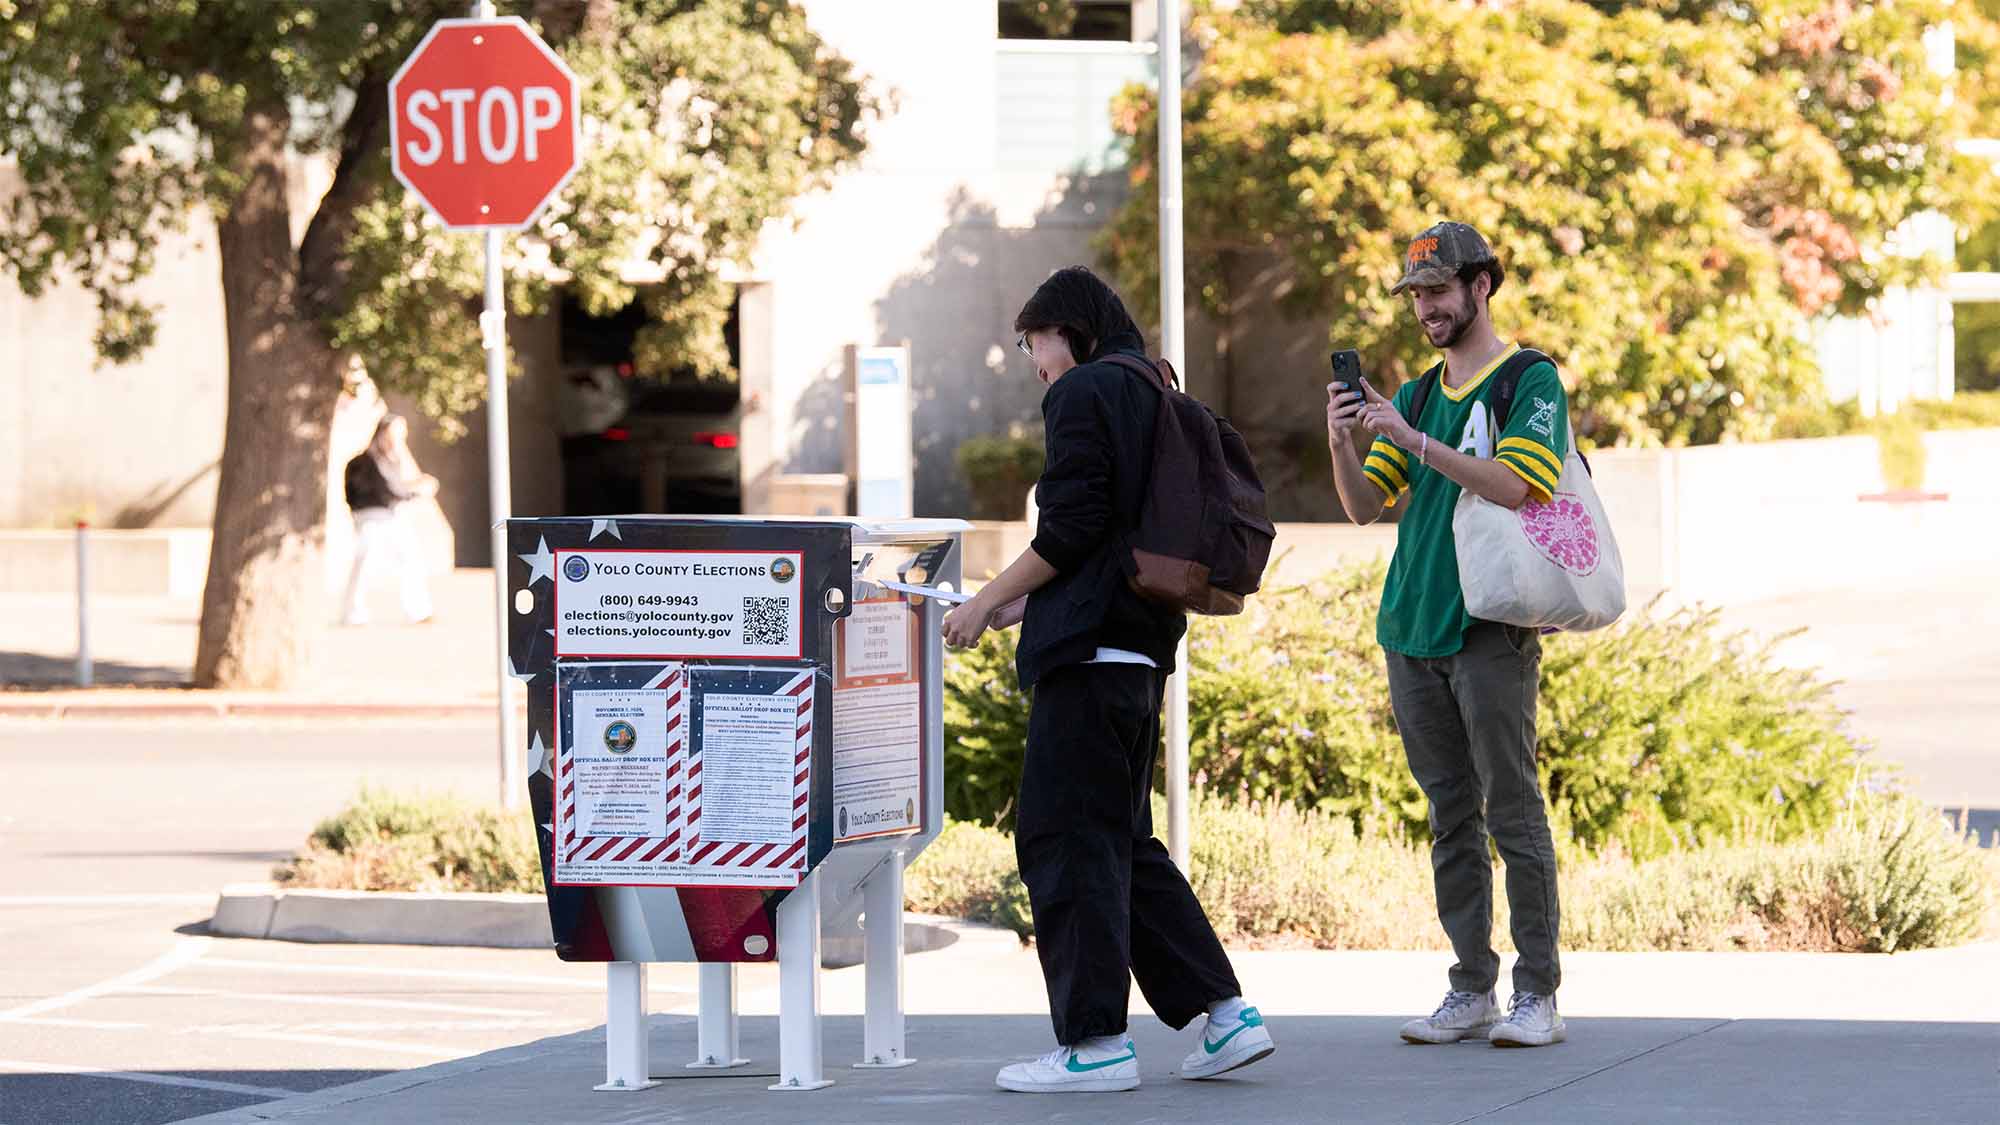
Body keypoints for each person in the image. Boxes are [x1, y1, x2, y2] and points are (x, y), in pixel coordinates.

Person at [941, 266, 1273, 1093]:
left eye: (1034, 341)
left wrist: (986, 596)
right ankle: (1224, 1014)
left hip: (1086, 667)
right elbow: (1104, 543)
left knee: (1065, 841)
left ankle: (1093, 1044)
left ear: (1070, 331)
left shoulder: (1084, 392)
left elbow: (1073, 524)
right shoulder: (1155, 388)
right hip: (1134, 654)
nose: (1034, 361)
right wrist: (1019, 608)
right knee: (1123, 843)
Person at [1325, 222, 1570, 1048]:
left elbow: (1519, 485)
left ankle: (1538, 993)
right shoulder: (1420, 392)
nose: (1425, 307)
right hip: (1411, 627)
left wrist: (1416, 439)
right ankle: (1472, 987)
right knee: (1449, 815)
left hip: (1490, 628)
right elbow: (1365, 506)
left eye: (1438, 290)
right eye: (1416, 294)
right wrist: (1344, 437)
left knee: (1515, 812)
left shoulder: (1528, 379)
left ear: (1482, 286)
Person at [340, 413, 437, 627]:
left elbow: (398, 489)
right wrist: (415, 491)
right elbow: (384, 491)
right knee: (364, 560)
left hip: (392, 516)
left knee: (410, 559)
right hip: (370, 518)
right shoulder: (362, 463)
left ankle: (418, 610)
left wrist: (415, 488)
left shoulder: (394, 461)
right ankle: (353, 612)